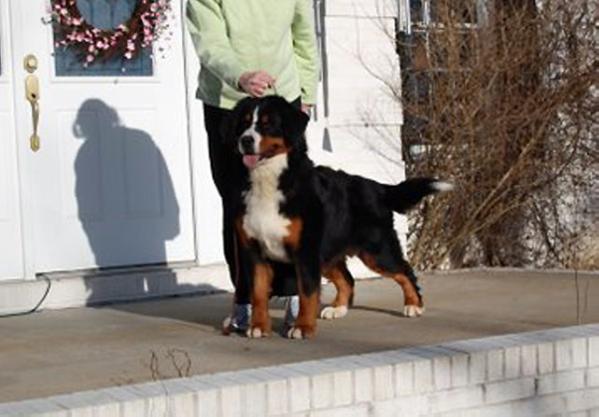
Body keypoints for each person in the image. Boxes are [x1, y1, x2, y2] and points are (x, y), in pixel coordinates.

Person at [186, 0, 319, 333]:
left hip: (282, 101)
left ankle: (292, 294)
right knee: (238, 206)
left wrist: (307, 91)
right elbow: (210, 44)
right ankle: (244, 299)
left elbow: (303, 36)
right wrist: (240, 76)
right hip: (230, 104)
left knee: (290, 201)